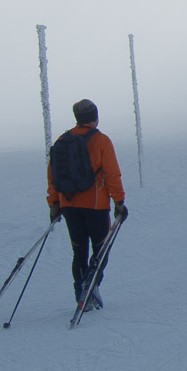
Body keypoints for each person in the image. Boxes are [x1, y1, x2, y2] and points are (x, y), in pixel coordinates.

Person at [47, 99, 128, 308]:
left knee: (79, 250)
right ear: (95, 117)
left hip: (68, 205)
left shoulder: (62, 140)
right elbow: (112, 174)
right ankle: (91, 287)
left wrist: (54, 204)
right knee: (101, 248)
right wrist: (119, 202)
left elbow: (53, 176)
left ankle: (80, 291)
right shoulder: (101, 141)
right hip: (95, 205)